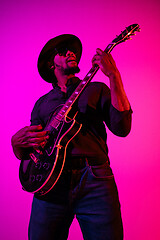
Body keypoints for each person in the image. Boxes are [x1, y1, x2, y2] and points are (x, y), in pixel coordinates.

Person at [11, 34, 132, 240]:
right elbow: (34, 151)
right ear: (51, 64)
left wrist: (113, 75)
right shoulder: (43, 103)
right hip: (50, 184)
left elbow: (122, 128)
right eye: (63, 50)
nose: (71, 52)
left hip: (95, 180)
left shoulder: (97, 89)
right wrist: (16, 144)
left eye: (73, 49)